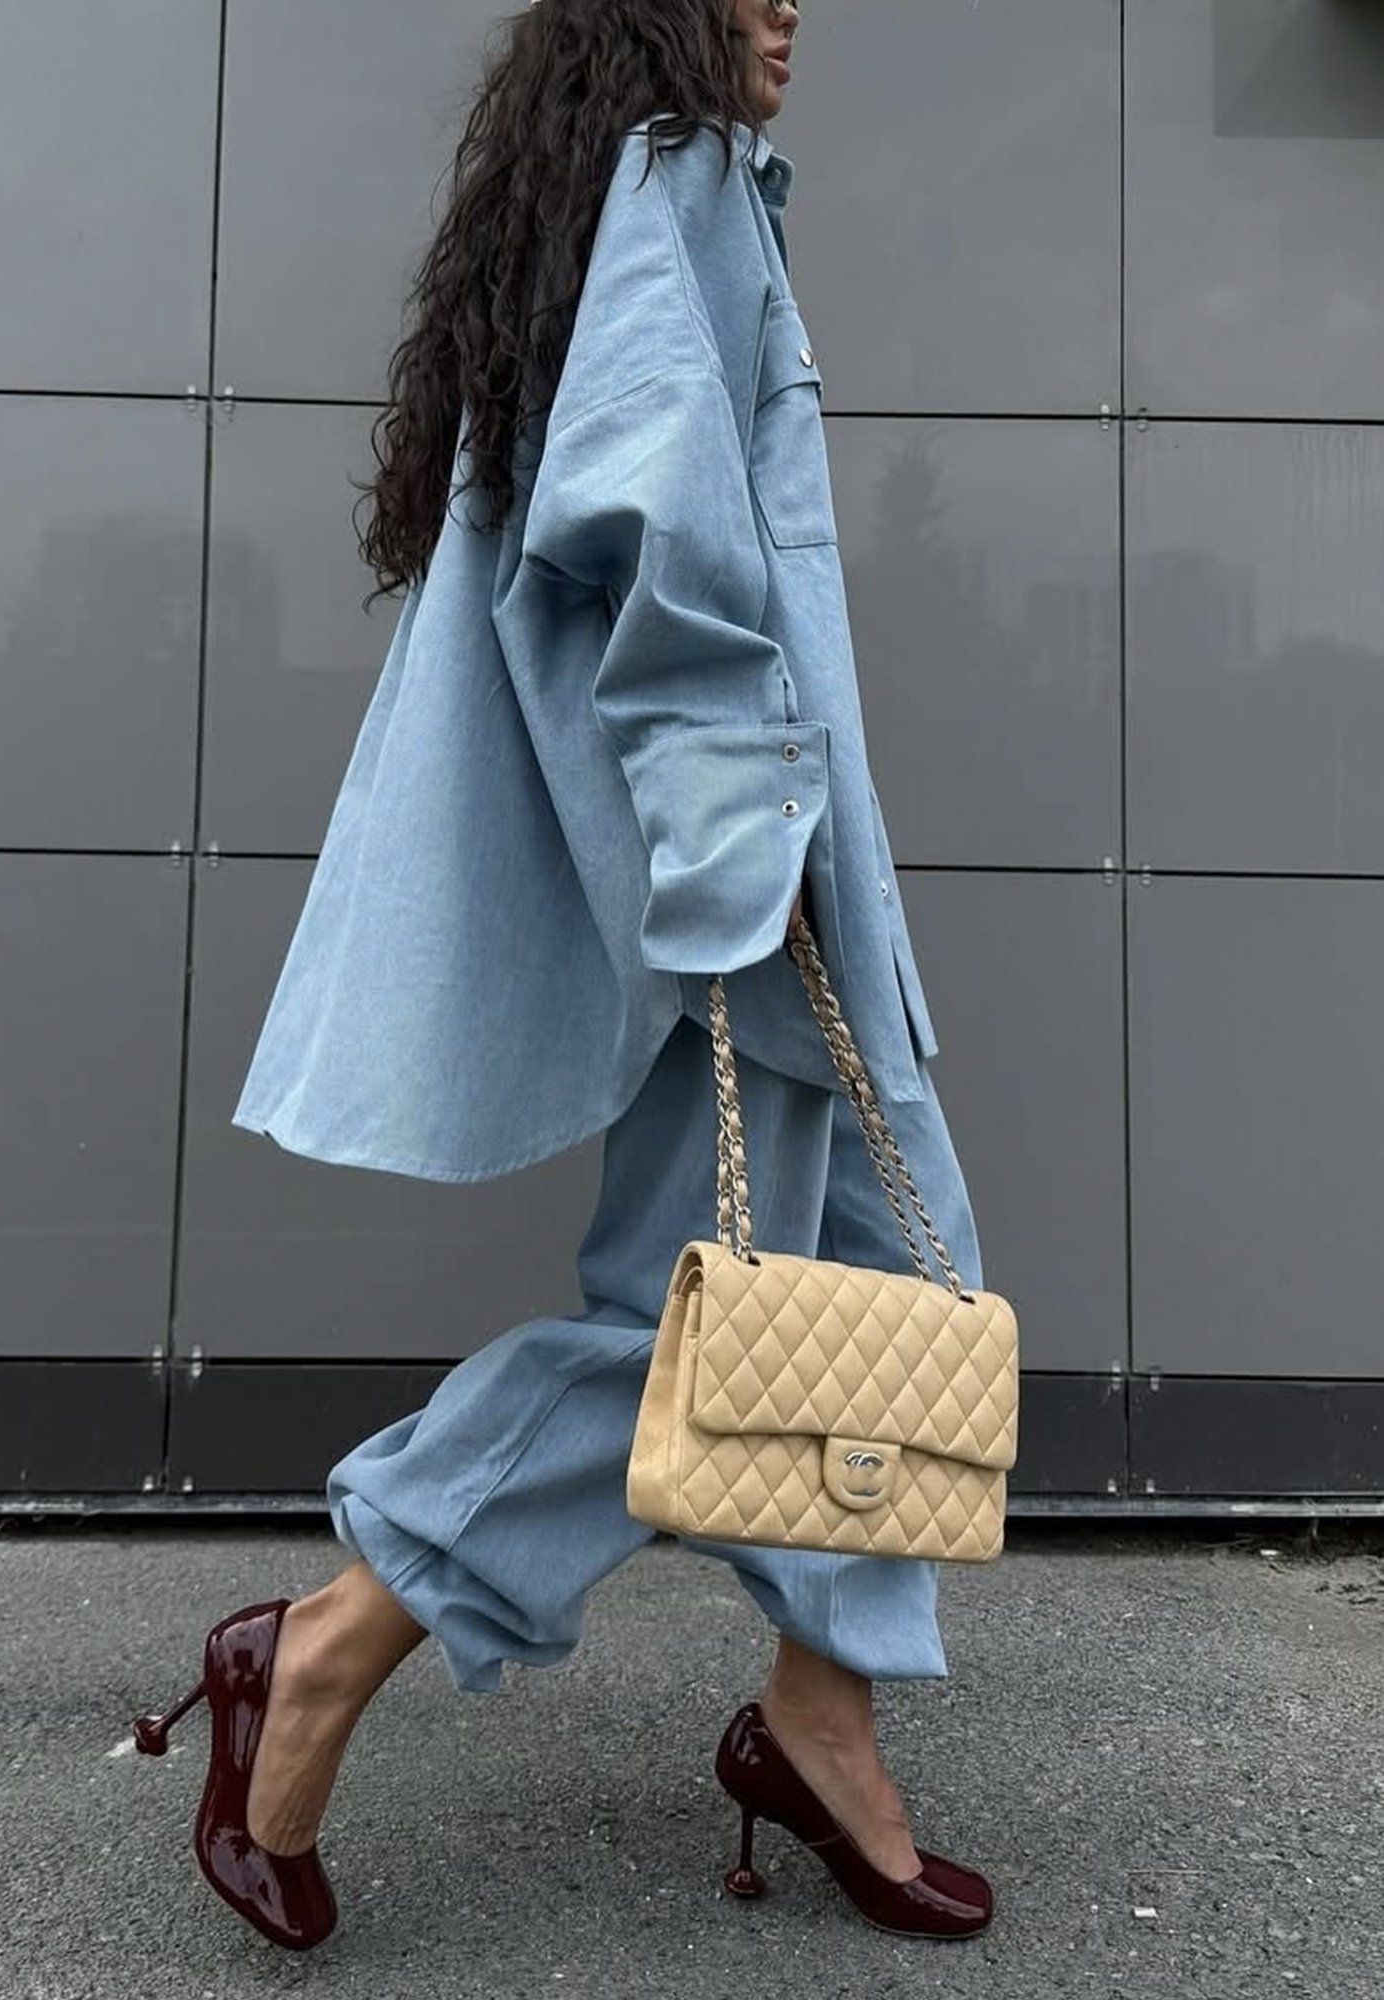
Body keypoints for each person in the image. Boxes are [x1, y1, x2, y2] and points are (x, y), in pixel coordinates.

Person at [134, 0, 994, 1953]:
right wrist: (744, 849)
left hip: (761, 851)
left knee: (869, 1259)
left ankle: (815, 1710)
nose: (791, 6)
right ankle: (336, 1634)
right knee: (738, 1310)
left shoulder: (660, 186)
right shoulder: (676, 175)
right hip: (750, 866)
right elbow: (649, 521)